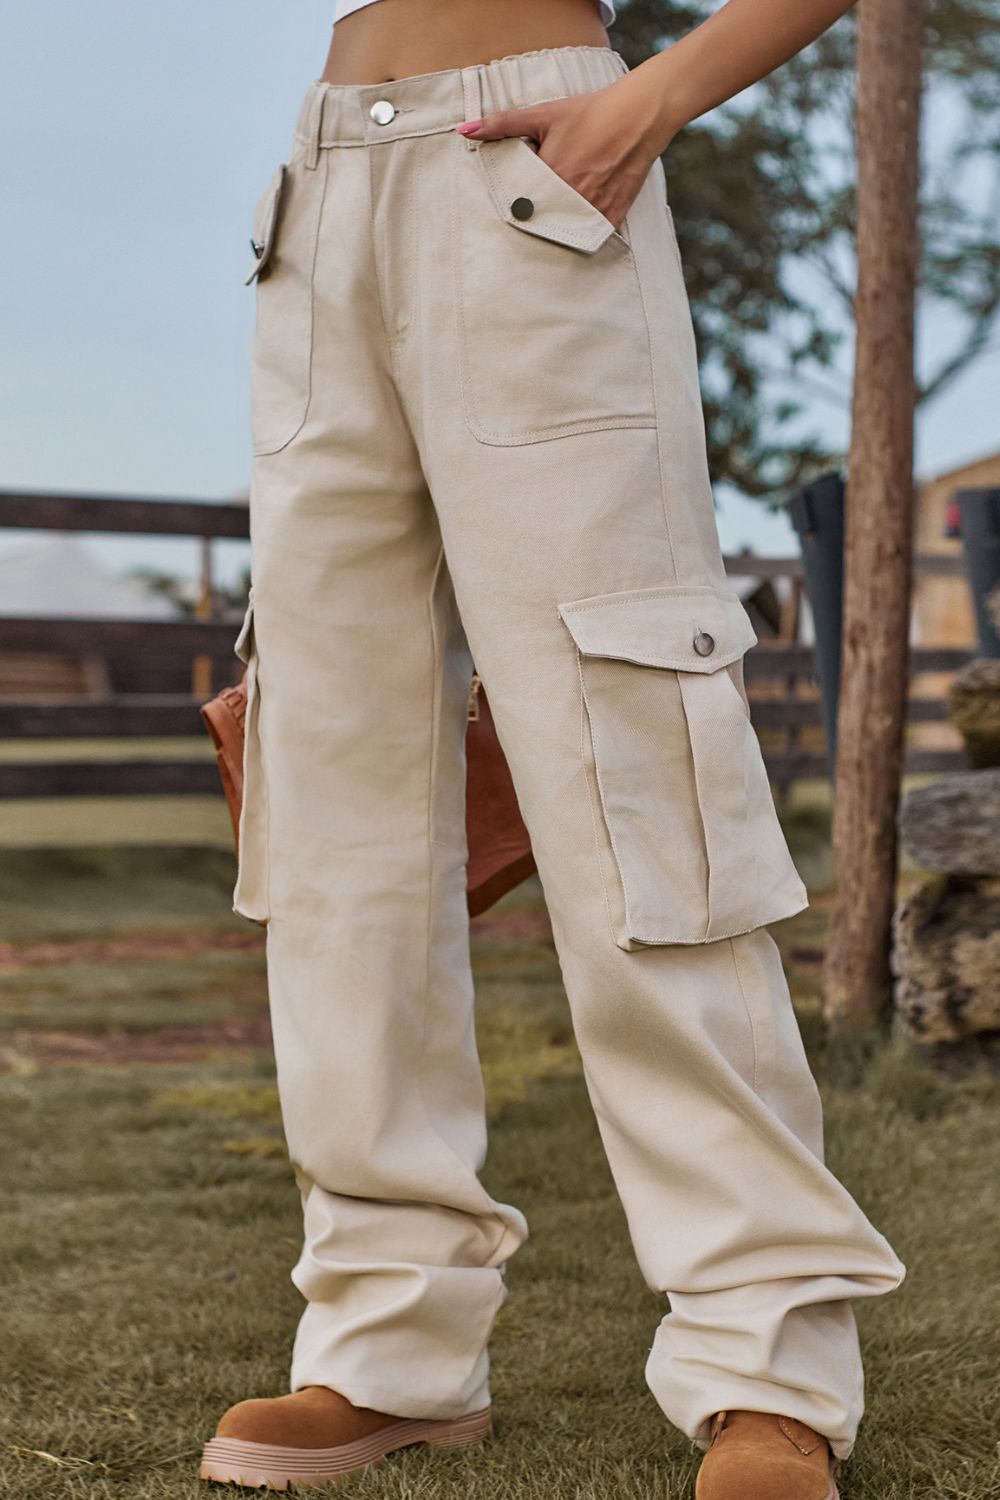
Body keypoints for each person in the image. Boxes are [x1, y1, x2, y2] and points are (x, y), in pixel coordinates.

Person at [199, 1, 905, 1495]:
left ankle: (764, 1352)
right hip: (320, 195)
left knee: (631, 763)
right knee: (331, 806)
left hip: (536, 170)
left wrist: (662, 92)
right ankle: (387, 1343)